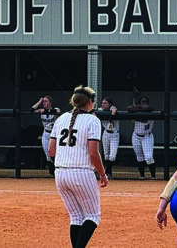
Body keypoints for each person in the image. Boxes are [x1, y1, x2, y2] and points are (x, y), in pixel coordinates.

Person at [48, 85, 108, 247]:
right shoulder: (92, 120)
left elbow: (51, 151)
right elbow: (93, 153)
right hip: (81, 172)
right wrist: (102, 173)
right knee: (92, 216)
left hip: (60, 173)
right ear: (90, 102)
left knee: (76, 217)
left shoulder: (61, 119)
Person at [128, 96, 157, 179]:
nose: (144, 104)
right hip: (136, 136)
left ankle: (153, 176)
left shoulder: (151, 111)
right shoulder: (136, 111)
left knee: (149, 157)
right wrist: (138, 107)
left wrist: (140, 108)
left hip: (147, 136)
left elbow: (150, 108)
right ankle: (141, 176)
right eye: (142, 103)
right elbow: (129, 109)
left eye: (146, 103)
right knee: (139, 156)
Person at [34, 95, 62, 175]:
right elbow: (32, 110)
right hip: (46, 133)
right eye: (43, 102)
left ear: (50, 102)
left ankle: (58, 170)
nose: (44, 103)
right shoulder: (41, 110)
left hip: (55, 134)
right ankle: (52, 172)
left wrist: (47, 111)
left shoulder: (55, 109)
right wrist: (39, 101)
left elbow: (57, 112)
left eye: (46, 101)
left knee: (56, 153)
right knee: (48, 154)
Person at [99, 96, 119, 179]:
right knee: (106, 154)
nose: (103, 105)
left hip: (114, 134)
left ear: (109, 104)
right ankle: (107, 172)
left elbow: (111, 117)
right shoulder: (100, 110)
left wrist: (113, 113)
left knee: (112, 155)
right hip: (106, 133)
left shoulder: (113, 108)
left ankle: (108, 170)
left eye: (105, 103)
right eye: (102, 103)